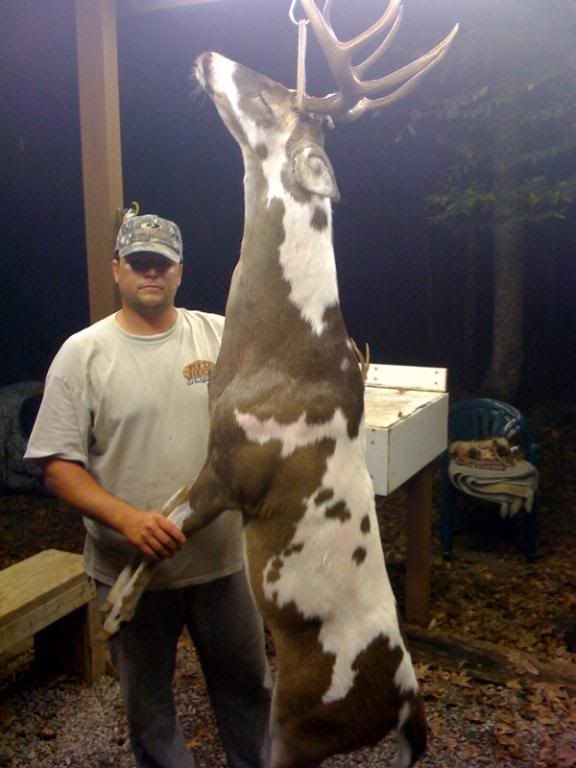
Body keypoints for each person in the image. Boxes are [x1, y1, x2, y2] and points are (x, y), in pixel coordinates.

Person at [25, 212, 271, 768]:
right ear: (118, 269)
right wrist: (125, 519)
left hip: (223, 562)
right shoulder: (84, 353)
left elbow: (268, 409)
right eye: (139, 262)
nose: (150, 272)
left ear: (180, 271)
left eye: (162, 262)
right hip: (131, 567)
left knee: (250, 693)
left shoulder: (219, 334)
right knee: (150, 714)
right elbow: (58, 465)